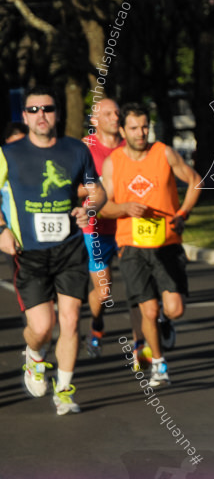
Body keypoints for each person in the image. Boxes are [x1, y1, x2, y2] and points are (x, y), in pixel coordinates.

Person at [0, 86, 106, 414]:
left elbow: (97, 191)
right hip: (29, 252)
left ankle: (63, 390)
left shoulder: (76, 150)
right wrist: (2, 230)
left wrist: (88, 209)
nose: (40, 115)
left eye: (46, 109)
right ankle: (34, 356)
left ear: (56, 113)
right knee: (42, 328)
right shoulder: (8, 153)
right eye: (33, 110)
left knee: (71, 321)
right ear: (24, 116)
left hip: (69, 248)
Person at [99, 103, 202, 386]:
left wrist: (182, 214)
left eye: (145, 126)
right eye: (134, 128)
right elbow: (103, 206)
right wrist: (124, 209)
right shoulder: (113, 162)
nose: (141, 133)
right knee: (148, 309)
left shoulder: (163, 153)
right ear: (122, 130)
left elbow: (195, 181)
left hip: (166, 242)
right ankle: (159, 364)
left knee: (174, 309)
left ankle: (165, 324)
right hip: (131, 245)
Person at [80, 98, 134, 357]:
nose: (115, 117)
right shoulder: (84, 148)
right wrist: (97, 187)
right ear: (94, 120)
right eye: (109, 113)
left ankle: (144, 349)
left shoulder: (130, 146)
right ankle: (96, 325)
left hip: (129, 225)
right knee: (104, 290)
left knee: (140, 289)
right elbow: (70, 186)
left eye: (117, 112)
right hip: (96, 229)